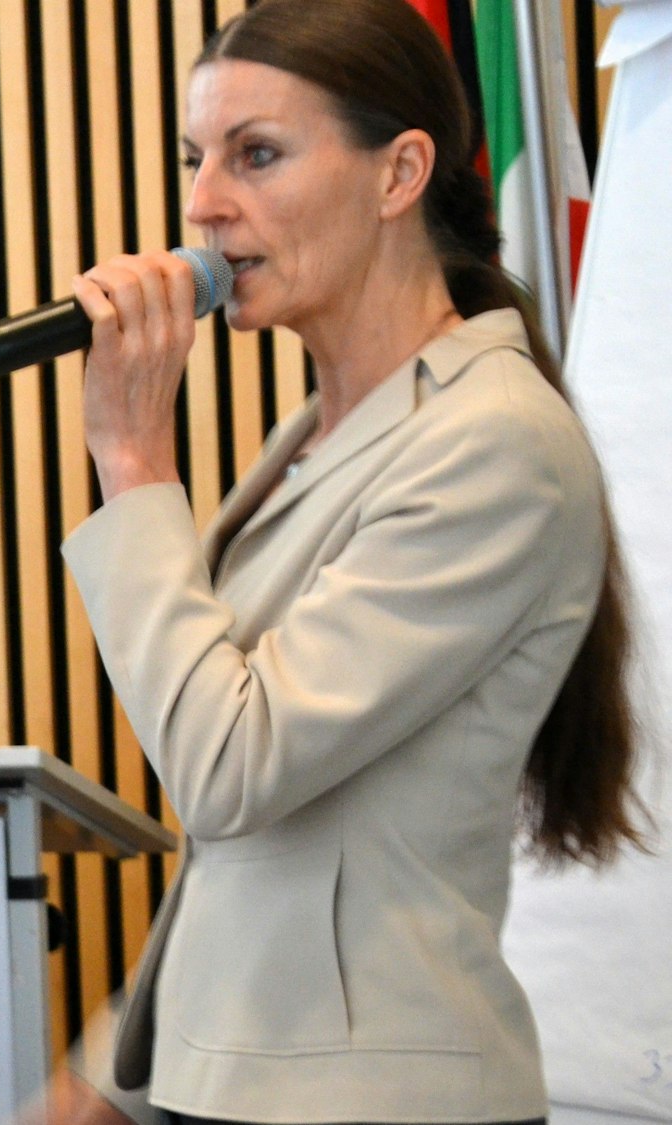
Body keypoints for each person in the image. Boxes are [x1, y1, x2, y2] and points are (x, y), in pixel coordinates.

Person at [35, 0, 650, 1121]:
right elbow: (261, 852)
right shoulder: (322, 435)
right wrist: (113, 1068)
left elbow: (229, 769)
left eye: (255, 154)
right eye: (194, 158)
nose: (201, 204)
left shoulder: (492, 442)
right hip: (234, 1073)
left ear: (398, 173)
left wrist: (133, 460)